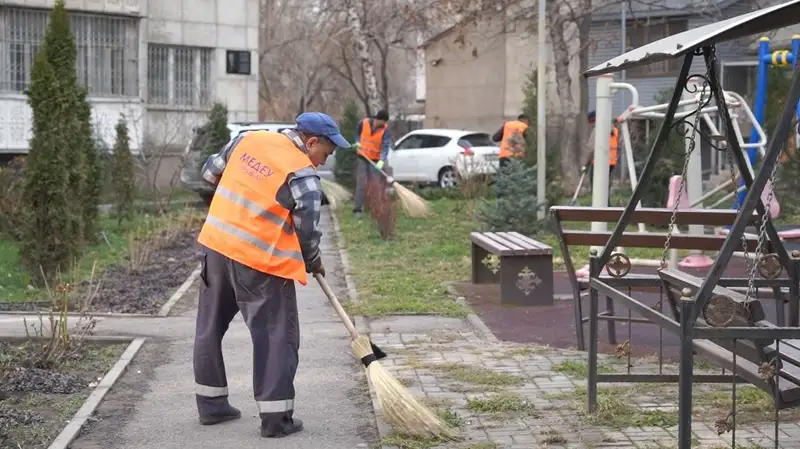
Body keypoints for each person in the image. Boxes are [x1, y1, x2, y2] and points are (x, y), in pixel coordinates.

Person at [193, 112, 350, 439]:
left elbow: (209, 174)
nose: (324, 161)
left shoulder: (249, 140)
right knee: (277, 336)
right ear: (311, 143)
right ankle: (276, 419)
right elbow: (308, 233)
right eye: (326, 153)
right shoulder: (303, 176)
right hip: (259, 263)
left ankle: (211, 406)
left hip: (217, 247)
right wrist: (313, 261)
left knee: (209, 327)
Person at [353, 110, 391, 215]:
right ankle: (357, 209)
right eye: (383, 122)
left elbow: (385, 146)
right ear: (378, 120)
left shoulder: (385, 130)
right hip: (362, 156)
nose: (385, 124)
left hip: (374, 160)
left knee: (374, 184)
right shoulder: (363, 123)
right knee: (361, 183)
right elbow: (357, 134)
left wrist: (381, 161)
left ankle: (373, 208)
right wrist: (357, 142)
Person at [582, 111, 619, 199]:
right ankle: (607, 207)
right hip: (611, 163)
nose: (590, 125)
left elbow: (591, 149)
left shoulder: (598, 129)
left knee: (596, 189)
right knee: (605, 189)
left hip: (599, 163)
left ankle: (597, 208)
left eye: (591, 123)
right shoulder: (615, 130)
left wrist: (586, 165)